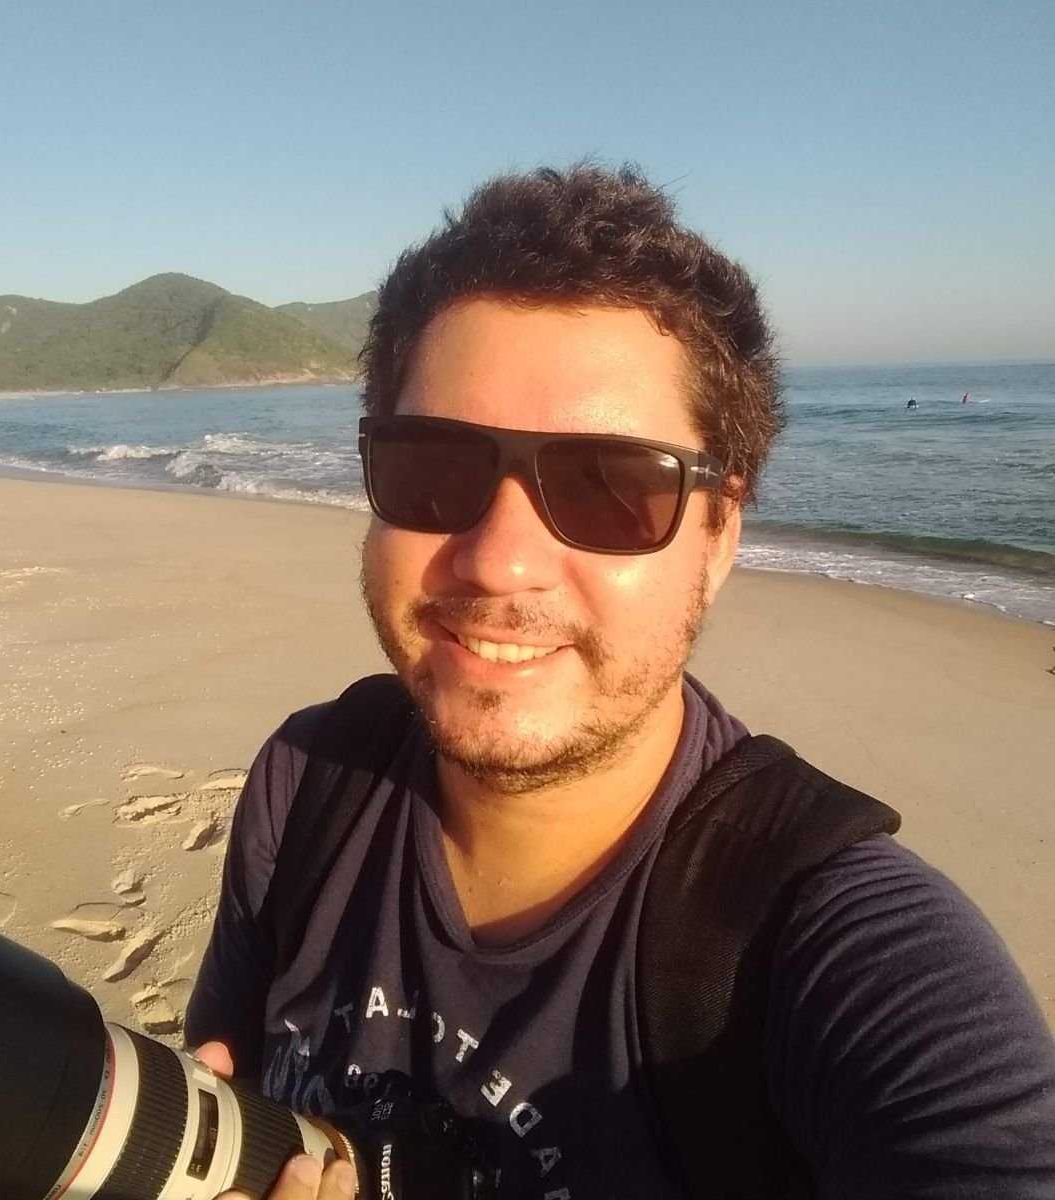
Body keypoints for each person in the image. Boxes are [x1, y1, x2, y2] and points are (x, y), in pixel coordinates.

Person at [186, 165, 1055, 1199]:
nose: (498, 561)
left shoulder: (846, 957)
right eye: (434, 467)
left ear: (719, 534)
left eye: (609, 486)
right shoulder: (308, 784)